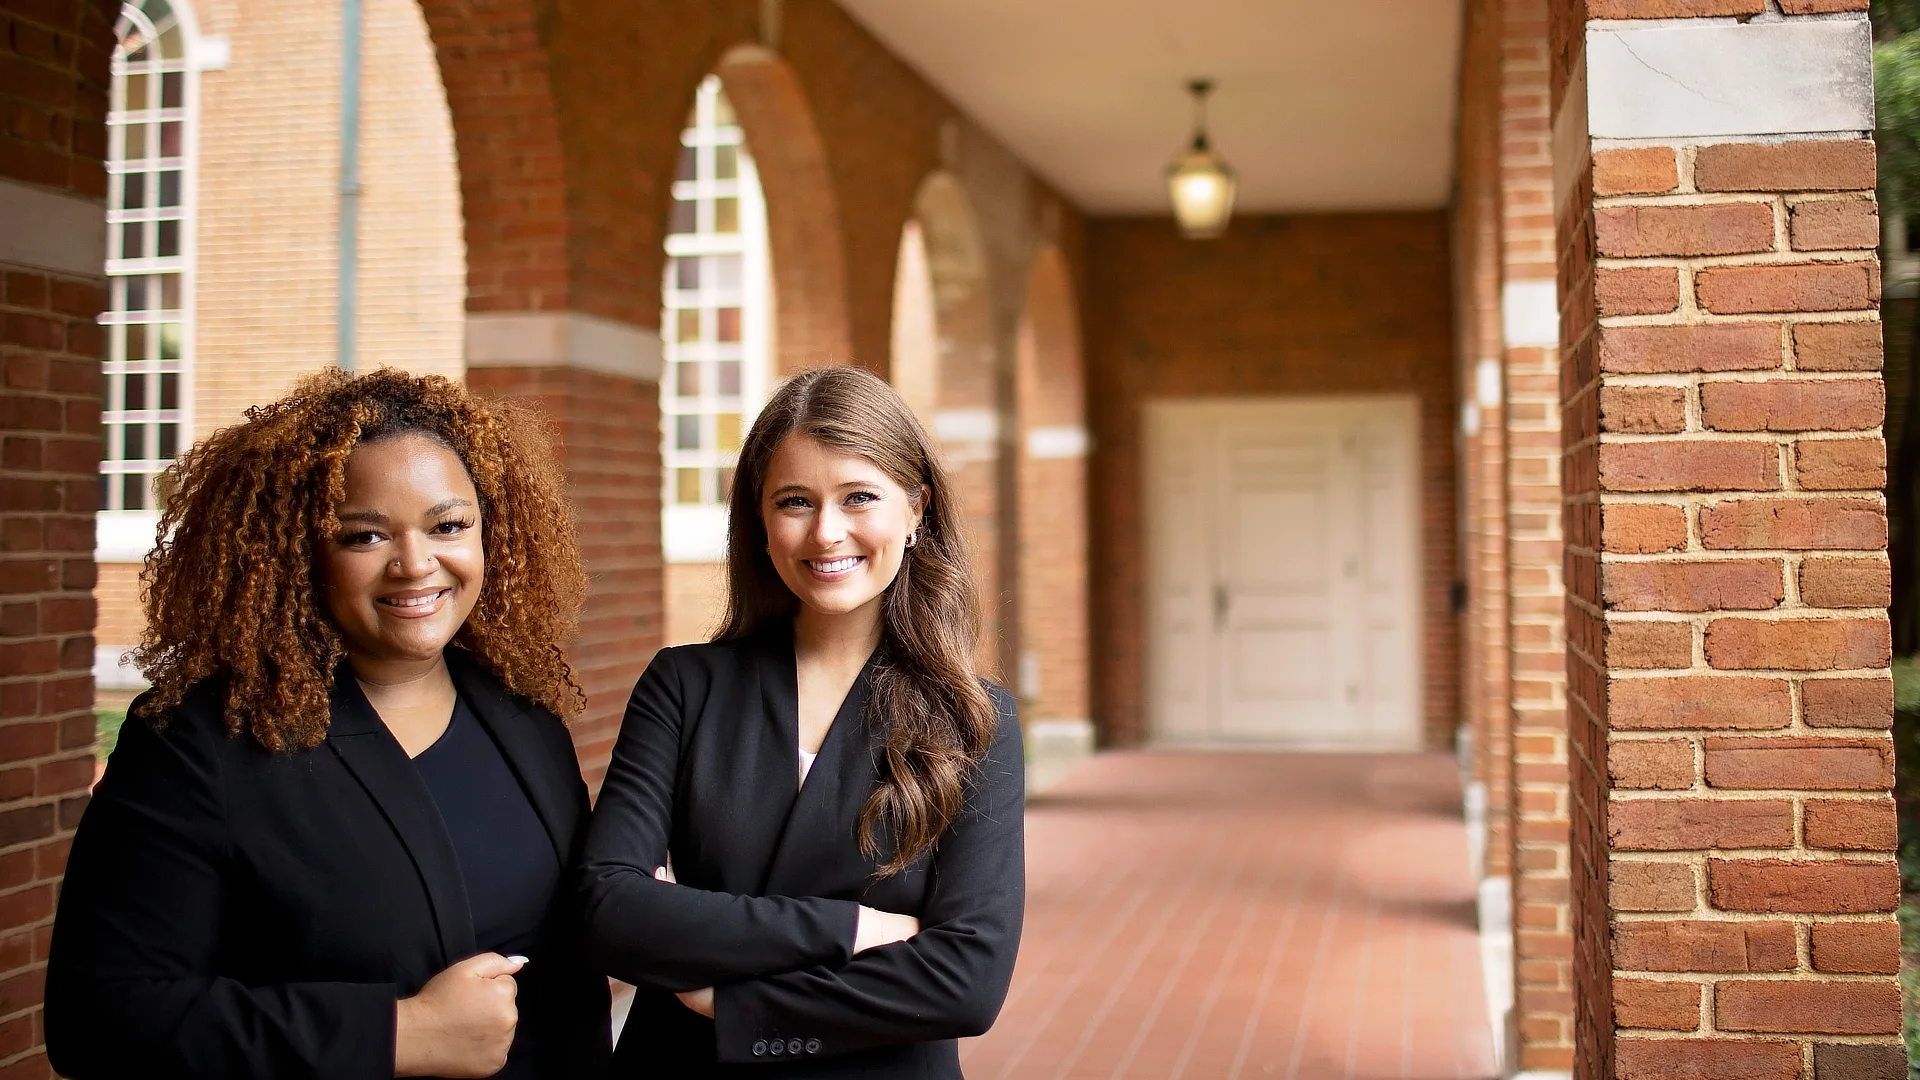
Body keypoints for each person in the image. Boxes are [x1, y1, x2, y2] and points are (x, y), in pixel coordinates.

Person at [45, 369, 612, 1079]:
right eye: (364, 536)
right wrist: (398, 1034)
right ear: (296, 552)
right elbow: (99, 1019)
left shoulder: (524, 721)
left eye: (448, 525)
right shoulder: (200, 744)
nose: (416, 564)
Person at [581, 366, 1025, 1077]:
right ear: (759, 521)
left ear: (916, 510)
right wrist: (851, 927)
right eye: (795, 501)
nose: (827, 533)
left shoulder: (974, 719)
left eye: (859, 497)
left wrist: (729, 999)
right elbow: (607, 910)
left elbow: (966, 982)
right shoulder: (683, 687)